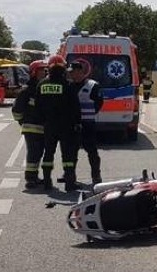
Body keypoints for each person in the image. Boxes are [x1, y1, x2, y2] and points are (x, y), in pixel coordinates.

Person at [34, 55, 81, 191]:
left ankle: (47, 182)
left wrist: (43, 120)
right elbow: (75, 107)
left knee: (48, 153)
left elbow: (37, 106)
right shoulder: (68, 85)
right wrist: (77, 123)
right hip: (66, 126)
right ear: (63, 68)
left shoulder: (42, 84)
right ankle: (69, 183)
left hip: (49, 125)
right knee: (67, 155)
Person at [12, 60, 48, 189]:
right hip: (31, 129)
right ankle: (30, 179)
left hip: (44, 128)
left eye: (45, 70)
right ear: (33, 72)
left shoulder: (45, 88)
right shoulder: (27, 90)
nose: (43, 73)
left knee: (39, 154)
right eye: (40, 70)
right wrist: (22, 121)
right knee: (33, 153)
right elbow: (16, 110)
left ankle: (35, 177)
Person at [69, 59, 103, 186]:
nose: (72, 75)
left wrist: (89, 114)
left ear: (80, 72)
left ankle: (96, 176)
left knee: (92, 151)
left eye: (73, 72)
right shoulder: (69, 86)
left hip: (88, 124)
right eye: (70, 73)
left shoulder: (92, 85)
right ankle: (70, 176)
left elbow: (99, 103)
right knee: (71, 152)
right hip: (73, 124)